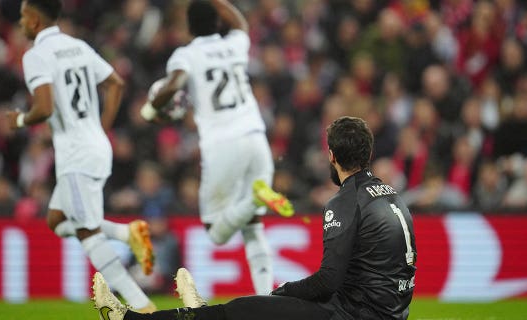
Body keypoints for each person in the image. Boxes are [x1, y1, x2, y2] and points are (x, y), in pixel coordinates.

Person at [93, 116, 418, 320]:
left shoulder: (344, 202)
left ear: (331, 156)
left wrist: (281, 292)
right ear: (368, 153)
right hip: (385, 312)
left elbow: (327, 281)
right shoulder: (392, 196)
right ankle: (203, 314)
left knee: (243, 310)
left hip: (354, 314)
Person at [7, 0, 156, 312]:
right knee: (57, 220)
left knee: (88, 233)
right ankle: (125, 232)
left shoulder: (36, 55)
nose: (20, 20)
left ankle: (141, 304)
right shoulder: (79, 47)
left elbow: (44, 107)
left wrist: (20, 120)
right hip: (96, 145)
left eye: (23, 14)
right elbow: (115, 83)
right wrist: (100, 128)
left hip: (76, 154)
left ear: (34, 18)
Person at [140, 0, 294, 296]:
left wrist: (150, 108)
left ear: (189, 28)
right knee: (253, 225)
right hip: (255, 137)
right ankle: (265, 298)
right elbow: (240, 24)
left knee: (216, 231)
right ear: (218, 23)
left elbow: (171, 87)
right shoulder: (234, 43)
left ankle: (253, 200)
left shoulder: (186, 54)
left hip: (223, 143)